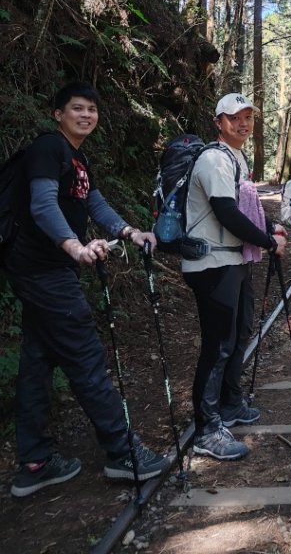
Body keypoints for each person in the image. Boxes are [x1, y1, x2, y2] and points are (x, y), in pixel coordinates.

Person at [5, 82, 170, 498]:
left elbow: (94, 203)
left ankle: (35, 462)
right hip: (44, 271)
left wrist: (128, 231)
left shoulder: (77, 157)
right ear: (57, 113)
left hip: (45, 272)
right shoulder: (48, 148)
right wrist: (75, 246)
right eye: (77, 108)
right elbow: (43, 205)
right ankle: (121, 452)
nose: (86, 115)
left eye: (92, 109)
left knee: (38, 361)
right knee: (85, 357)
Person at [182, 92, 287, 461]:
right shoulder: (213, 159)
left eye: (247, 118)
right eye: (233, 118)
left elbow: (248, 210)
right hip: (211, 264)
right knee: (218, 345)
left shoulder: (235, 157)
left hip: (233, 262)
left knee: (240, 333)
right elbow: (226, 213)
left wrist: (271, 228)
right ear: (218, 122)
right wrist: (268, 242)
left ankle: (229, 403)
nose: (242, 124)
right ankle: (207, 429)